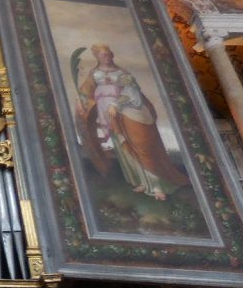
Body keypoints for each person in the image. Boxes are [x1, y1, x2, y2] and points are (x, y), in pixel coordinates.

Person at [76, 43, 188, 200]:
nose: (106, 56)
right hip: (109, 114)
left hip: (128, 111)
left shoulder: (122, 72)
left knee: (141, 145)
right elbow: (85, 91)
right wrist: (79, 101)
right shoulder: (94, 73)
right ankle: (141, 180)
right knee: (124, 147)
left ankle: (157, 185)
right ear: (97, 57)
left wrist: (116, 104)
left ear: (112, 54)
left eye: (108, 53)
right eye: (102, 54)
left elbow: (132, 91)